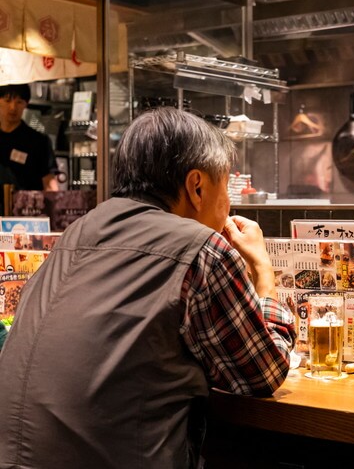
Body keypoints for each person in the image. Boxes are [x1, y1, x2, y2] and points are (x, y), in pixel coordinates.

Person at [0, 107, 296, 468]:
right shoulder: (202, 248)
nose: (229, 203)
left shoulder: (75, 234)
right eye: (227, 186)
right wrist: (264, 271)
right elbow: (262, 373)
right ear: (197, 186)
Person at [0, 83, 59, 191]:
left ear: (26, 104)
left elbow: (49, 181)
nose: (13, 107)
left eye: (19, 102)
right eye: (7, 100)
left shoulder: (39, 141)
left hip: (26, 206)